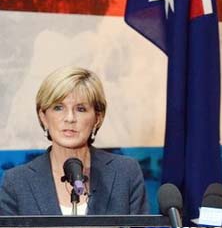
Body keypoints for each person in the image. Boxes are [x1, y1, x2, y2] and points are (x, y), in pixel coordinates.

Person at [0, 66, 149, 215]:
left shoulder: (125, 172)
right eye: (58, 108)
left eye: (81, 109)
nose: (70, 118)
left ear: (97, 118)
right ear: (43, 117)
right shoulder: (17, 182)